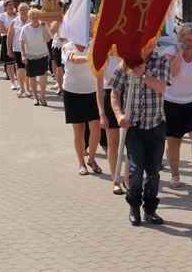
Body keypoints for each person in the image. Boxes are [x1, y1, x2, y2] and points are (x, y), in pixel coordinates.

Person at [110, 41, 170, 226]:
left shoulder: (161, 61)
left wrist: (143, 74)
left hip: (156, 125)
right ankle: (134, 205)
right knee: (135, 170)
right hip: (134, 126)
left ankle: (150, 209)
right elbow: (115, 93)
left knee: (153, 173)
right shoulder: (126, 64)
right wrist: (119, 114)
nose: (150, 46)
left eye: (152, 43)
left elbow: (161, 87)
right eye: (146, 42)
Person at [163, 23, 192, 189]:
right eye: (187, 40)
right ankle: (175, 175)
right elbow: (172, 73)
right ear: (180, 39)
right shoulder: (170, 53)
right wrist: (180, 52)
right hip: (172, 102)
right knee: (174, 141)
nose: (191, 44)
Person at [61, 16, 104, 177]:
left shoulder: (93, 45)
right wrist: (91, 57)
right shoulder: (67, 47)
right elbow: (74, 59)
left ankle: (92, 159)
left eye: (89, 27)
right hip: (72, 92)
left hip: (91, 91)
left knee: (96, 128)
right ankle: (81, 163)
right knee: (79, 131)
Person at [97, 48, 129, 194]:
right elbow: (98, 88)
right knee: (113, 143)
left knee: (131, 142)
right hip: (109, 95)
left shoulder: (125, 53)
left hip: (126, 96)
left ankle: (128, 178)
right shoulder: (103, 56)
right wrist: (102, 113)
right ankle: (115, 180)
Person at [19, 8, 52, 106]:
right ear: (29, 18)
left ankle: (42, 96)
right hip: (30, 55)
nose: (35, 19)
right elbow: (21, 42)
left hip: (42, 54)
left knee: (43, 76)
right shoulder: (25, 28)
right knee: (32, 77)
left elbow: (47, 39)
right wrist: (23, 55)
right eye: (33, 18)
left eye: (37, 17)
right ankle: (35, 97)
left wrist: (45, 27)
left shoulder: (43, 27)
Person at [7, 2, 31, 97]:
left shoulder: (31, 20)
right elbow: (9, 37)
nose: (24, 12)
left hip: (30, 48)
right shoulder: (14, 21)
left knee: (28, 70)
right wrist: (9, 49)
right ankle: (21, 87)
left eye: (26, 10)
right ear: (18, 11)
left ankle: (28, 88)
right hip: (18, 48)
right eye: (22, 10)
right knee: (20, 68)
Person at [0, 0, 19, 89]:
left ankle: (19, 80)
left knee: (18, 61)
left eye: (12, 5)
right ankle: (12, 81)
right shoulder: (2, 16)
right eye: (9, 5)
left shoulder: (17, 15)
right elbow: (2, 29)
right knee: (9, 62)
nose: (11, 7)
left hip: (16, 38)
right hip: (6, 38)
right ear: (5, 7)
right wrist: (11, 32)